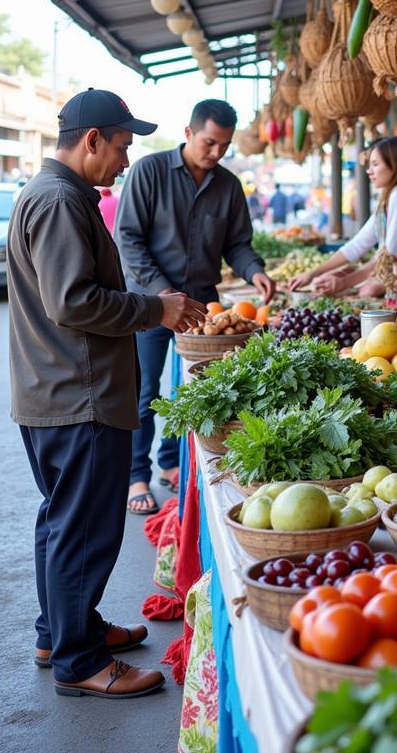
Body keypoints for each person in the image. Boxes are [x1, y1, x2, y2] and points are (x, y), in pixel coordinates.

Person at [7, 88, 205, 699]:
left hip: (57, 391)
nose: (125, 161)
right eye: (120, 147)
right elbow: (72, 302)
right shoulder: (60, 201)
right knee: (84, 531)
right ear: (91, 140)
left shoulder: (52, 195)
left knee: (62, 523)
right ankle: (80, 661)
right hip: (79, 397)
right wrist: (157, 308)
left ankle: (61, 631)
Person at [116, 99, 275, 514]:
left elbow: (238, 245)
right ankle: (136, 474)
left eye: (224, 146)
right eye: (209, 142)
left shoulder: (228, 185)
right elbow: (129, 240)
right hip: (150, 303)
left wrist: (255, 271)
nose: (216, 153)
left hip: (204, 311)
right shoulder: (148, 172)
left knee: (192, 392)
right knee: (144, 391)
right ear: (188, 133)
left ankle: (171, 462)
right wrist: (165, 296)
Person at [290, 136, 397, 297]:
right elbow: (357, 245)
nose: (369, 171)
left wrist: (344, 283)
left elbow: (388, 257)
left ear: (395, 165)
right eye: (369, 164)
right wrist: (313, 273)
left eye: (375, 164)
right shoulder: (394, 196)